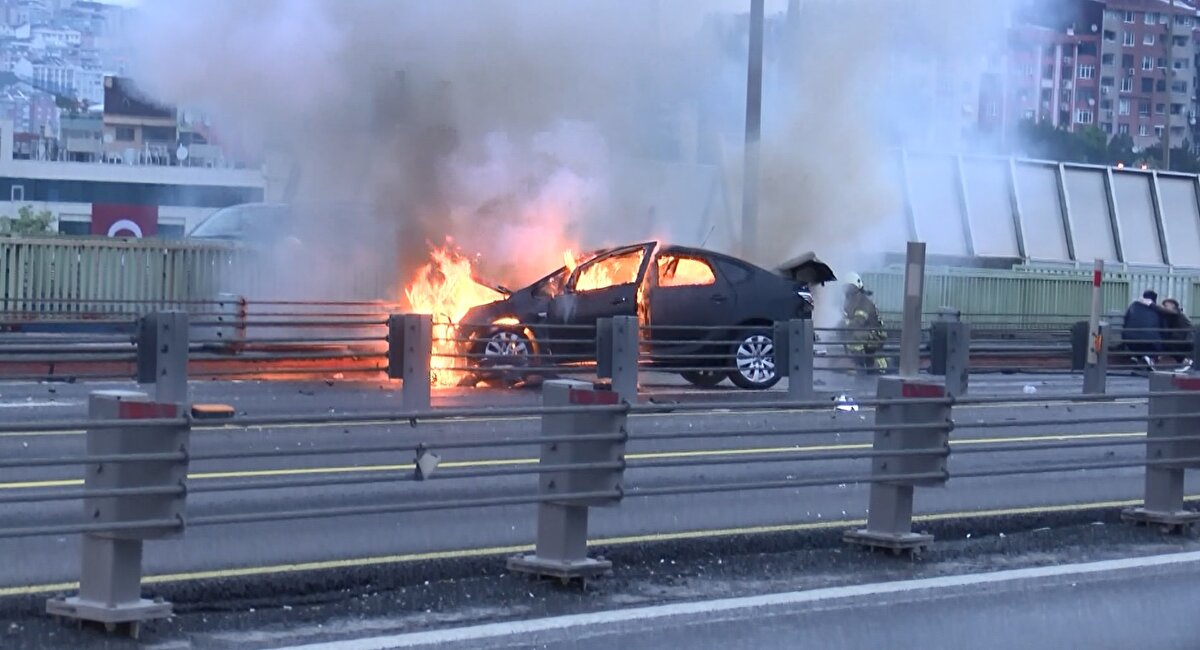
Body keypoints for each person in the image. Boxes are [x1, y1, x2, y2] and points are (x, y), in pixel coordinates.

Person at [841, 273, 889, 373]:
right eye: (846, 287)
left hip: (876, 334)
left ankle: (860, 367)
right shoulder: (851, 301)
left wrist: (844, 323)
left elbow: (859, 322)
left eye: (850, 287)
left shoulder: (863, 302)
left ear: (856, 287)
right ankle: (861, 363)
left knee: (855, 337)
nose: (847, 291)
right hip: (866, 333)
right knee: (853, 336)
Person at [1122, 290, 1163, 369]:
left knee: (1138, 338)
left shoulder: (1133, 305)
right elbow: (1161, 326)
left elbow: (1126, 320)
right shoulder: (1156, 308)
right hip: (1150, 341)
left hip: (1130, 339)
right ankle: (1150, 358)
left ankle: (1137, 357)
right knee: (1156, 340)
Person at [1160, 298, 1193, 370]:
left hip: (1182, 339)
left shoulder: (1176, 312)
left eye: (1166, 305)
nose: (1164, 307)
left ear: (1173, 305)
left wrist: (1151, 305)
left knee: (1164, 345)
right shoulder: (1174, 315)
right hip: (1181, 338)